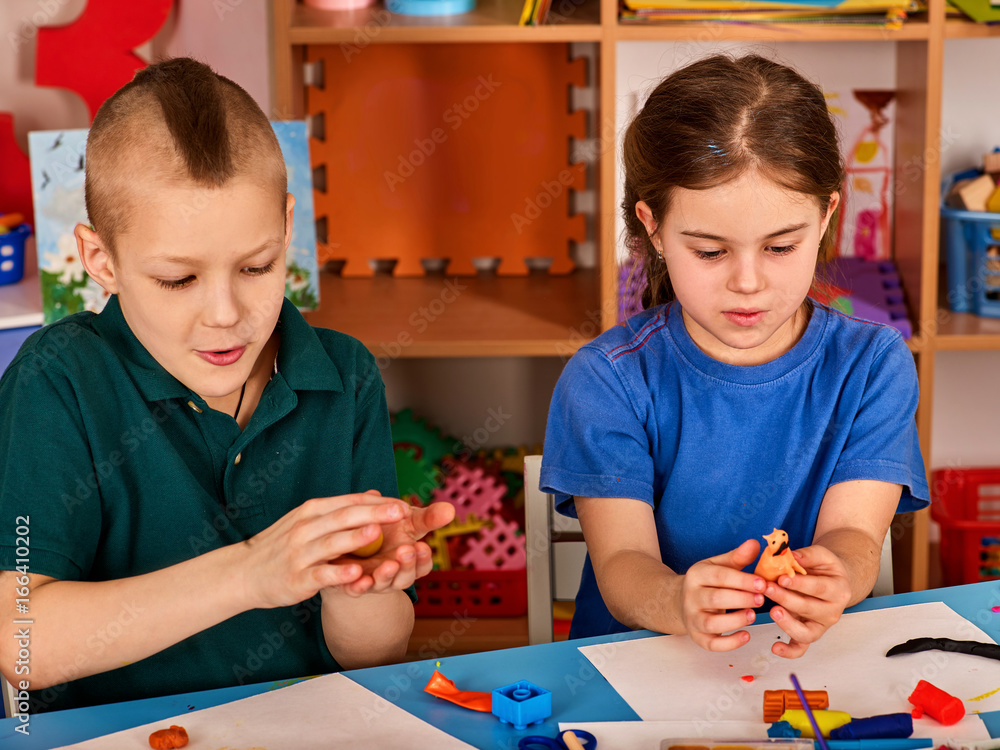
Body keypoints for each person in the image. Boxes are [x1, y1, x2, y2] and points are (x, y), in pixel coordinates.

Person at [0, 57, 454, 712]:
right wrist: (253, 572)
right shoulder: (57, 379)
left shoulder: (344, 374)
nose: (224, 313)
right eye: (178, 279)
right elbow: (22, 645)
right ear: (101, 261)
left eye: (257, 265)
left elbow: (370, 656)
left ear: (288, 229)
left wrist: (367, 586)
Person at [540, 53, 929, 658]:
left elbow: (853, 532)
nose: (748, 283)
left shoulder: (873, 365)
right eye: (711, 252)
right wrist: (676, 602)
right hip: (635, 668)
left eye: (780, 246)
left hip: (806, 662)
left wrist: (840, 575)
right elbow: (623, 561)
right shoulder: (608, 378)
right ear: (653, 229)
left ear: (825, 216)